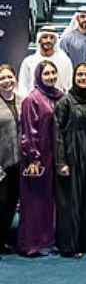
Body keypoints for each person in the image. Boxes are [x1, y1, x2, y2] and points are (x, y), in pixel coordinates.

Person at [53, 63, 86, 257]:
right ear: (74, 77)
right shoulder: (65, 101)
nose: (83, 78)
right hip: (72, 155)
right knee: (71, 203)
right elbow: (57, 132)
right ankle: (69, 246)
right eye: (80, 75)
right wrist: (61, 162)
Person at [18, 61, 63, 256]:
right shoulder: (32, 99)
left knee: (48, 201)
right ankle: (31, 243)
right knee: (34, 202)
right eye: (47, 74)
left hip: (52, 154)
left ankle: (47, 241)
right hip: (37, 157)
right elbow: (29, 132)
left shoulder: (57, 96)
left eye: (53, 73)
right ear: (38, 76)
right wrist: (34, 158)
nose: (51, 77)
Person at [18, 25, 74, 97]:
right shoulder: (29, 61)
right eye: (44, 37)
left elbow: (69, 85)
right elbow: (23, 86)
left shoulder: (65, 61)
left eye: (51, 37)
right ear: (39, 40)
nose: (48, 40)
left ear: (55, 40)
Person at [0, 66, 21, 254]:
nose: (7, 81)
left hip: (18, 162)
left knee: (11, 204)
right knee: (1, 201)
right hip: (1, 164)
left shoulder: (22, 101)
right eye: (2, 78)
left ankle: (4, 240)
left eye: (9, 77)